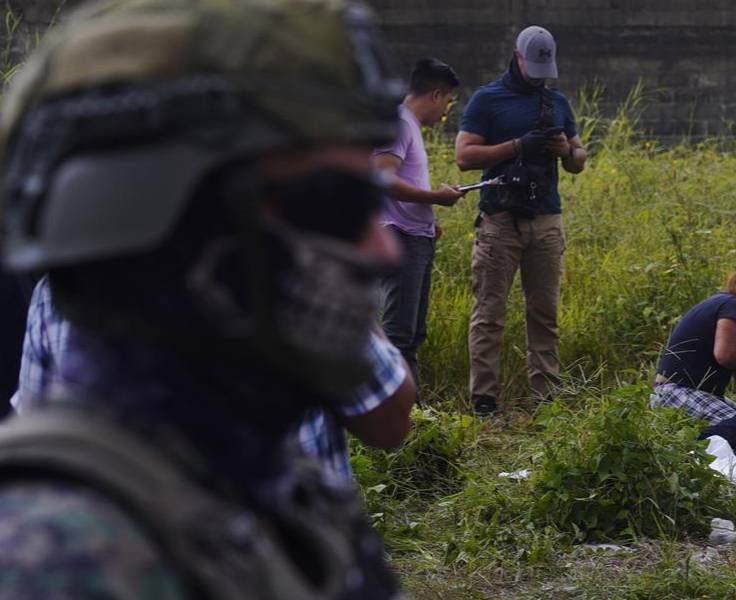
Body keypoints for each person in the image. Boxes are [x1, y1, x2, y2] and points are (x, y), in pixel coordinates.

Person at [0, 0, 409, 597]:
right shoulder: (61, 563)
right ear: (172, 231)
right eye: (334, 206)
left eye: (373, 201)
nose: (382, 250)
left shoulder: (282, 496)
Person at [11, 275, 416, 486]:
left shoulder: (60, 289)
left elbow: (35, 443)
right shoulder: (287, 265)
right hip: (284, 566)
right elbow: (388, 420)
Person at [455, 25, 588, 416]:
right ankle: (484, 400)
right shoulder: (488, 100)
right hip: (500, 220)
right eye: (531, 67)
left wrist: (566, 150)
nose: (537, 75)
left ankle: (545, 398)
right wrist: (516, 146)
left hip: (547, 220)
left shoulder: (557, 101)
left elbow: (579, 160)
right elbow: (464, 156)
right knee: (489, 313)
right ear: (516, 57)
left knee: (544, 312)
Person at [373, 57, 465, 377]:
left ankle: (412, 417)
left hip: (417, 236)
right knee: (399, 336)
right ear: (436, 94)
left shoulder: (408, 125)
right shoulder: (399, 123)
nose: (445, 112)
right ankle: (391, 418)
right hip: (401, 239)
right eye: (448, 102)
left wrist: (428, 221)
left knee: (411, 335)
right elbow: (383, 179)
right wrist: (435, 198)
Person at [650, 268, 736, 424]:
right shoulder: (734, 305)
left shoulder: (730, 310)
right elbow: (725, 355)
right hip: (677, 392)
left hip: (696, 393)